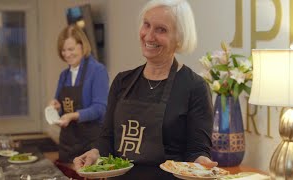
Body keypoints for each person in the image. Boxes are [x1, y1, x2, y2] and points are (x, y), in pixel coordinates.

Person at [74, 0, 217, 179]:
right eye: (146, 25)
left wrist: (202, 163)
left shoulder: (194, 87)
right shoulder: (122, 82)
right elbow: (107, 138)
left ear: (180, 37)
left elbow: (196, 150)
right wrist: (95, 152)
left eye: (161, 29)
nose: (149, 36)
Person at [49, 25, 109, 163]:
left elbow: (100, 108)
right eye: (63, 50)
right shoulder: (64, 75)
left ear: (83, 46)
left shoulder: (98, 71)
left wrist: (73, 116)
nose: (66, 54)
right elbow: (61, 111)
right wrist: (56, 109)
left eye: (71, 49)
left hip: (90, 146)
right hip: (67, 145)